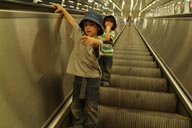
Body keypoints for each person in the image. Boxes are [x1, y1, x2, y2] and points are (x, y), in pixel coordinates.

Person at [51, 3, 104, 128]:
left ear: (98, 28)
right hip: (79, 78)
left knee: (91, 107)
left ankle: (90, 125)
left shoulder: (97, 43)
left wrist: (95, 41)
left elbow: (98, 47)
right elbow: (72, 22)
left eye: (91, 25)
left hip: (92, 79)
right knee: (76, 105)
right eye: (86, 25)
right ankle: (77, 125)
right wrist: (63, 10)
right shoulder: (79, 34)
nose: (87, 27)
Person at [99, 15, 117, 86]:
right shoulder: (100, 31)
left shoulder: (112, 32)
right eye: (107, 21)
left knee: (107, 68)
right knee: (99, 67)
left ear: (113, 24)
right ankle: (99, 79)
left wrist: (108, 30)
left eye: (111, 22)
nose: (109, 23)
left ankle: (105, 80)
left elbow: (107, 39)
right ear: (104, 22)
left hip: (108, 54)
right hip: (100, 53)